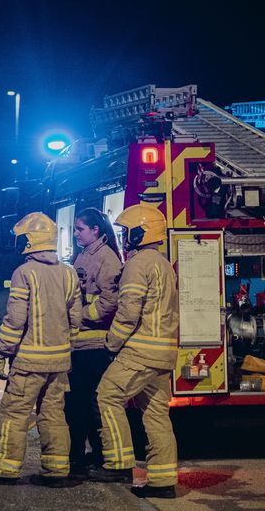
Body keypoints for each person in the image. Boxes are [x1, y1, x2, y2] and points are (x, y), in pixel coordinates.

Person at [0, 212, 83, 488]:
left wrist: (2, 354)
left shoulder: (24, 273)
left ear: (30, 241)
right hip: (59, 364)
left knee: (13, 414)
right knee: (54, 416)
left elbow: (15, 320)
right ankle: (57, 471)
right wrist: (65, 346)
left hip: (29, 363)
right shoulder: (68, 273)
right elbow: (76, 318)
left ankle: (5, 470)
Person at [86, 202, 179, 499]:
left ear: (141, 232)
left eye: (128, 232)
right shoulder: (163, 263)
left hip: (141, 349)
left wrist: (111, 345)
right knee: (155, 413)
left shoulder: (139, 264)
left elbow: (128, 312)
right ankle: (163, 482)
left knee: (107, 395)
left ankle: (117, 462)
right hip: (164, 351)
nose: (125, 237)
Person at [65, 208, 123, 477]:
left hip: (95, 345)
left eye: (79, 229)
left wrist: (83, 316)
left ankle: (100, 457)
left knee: (90, 404)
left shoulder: (107, 259)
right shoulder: (86, 254)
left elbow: (111, 301)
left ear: (95, 230)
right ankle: (86, 455)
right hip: (81, 345)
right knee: (79, 403)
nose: (75, 234)